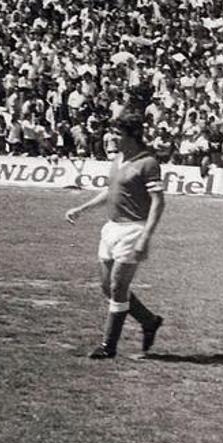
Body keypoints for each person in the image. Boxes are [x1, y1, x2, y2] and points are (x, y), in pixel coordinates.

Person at [64, 108, 166, 359]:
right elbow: (111, 193)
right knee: (108, 288)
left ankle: (108, 346)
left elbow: (158, 202)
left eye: (117, 133)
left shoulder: (148, 162)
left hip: (133, 230)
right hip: (111, 228)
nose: (112, 137)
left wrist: (145, 237)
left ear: (131, 136)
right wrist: (82, 208)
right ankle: (149, 321)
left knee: (118, 287)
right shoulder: (118, 160)